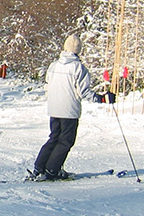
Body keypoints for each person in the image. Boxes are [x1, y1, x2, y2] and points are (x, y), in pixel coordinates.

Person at [32, 35, 97, 181]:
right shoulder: (78, 68)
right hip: (69, 111)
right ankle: (52, 169)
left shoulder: (54, 65)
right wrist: (100, 98)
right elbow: (83, 91)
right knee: (66, 141)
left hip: (54, 109)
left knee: (54, 137)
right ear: (78, 49)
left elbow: (47, 85)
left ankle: (40, 167)